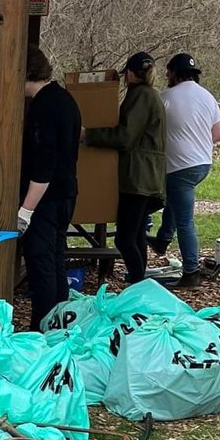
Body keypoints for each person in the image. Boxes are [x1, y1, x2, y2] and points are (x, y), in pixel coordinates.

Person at [83, 51, 166, 285]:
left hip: (137, 177)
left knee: (124, 238)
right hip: (149, 176)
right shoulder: (151, 95)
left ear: (130, 73)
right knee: (137, 234)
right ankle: (140, 284)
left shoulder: (140, 96)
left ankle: (139, 285)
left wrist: (88, 135)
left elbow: (125, 136)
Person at [16, 45, 82, 331]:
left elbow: (44, 164)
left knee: (41, 265)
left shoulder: (42, 107)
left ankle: (41, 330)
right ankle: (58, 324)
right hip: (66, 192)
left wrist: (26, 210)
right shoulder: (65, 99)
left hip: (46, 198)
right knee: (55, 260)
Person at [151, 52, 220, 289]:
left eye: (168, 73)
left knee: (185, 220)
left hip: (180, 165)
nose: (167, 77)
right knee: (176, 199)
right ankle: (162, 240)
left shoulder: (166, 97)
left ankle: (191, 272)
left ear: (173, 73)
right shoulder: (208, 97)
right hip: (202, 164)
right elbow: (218, 135)